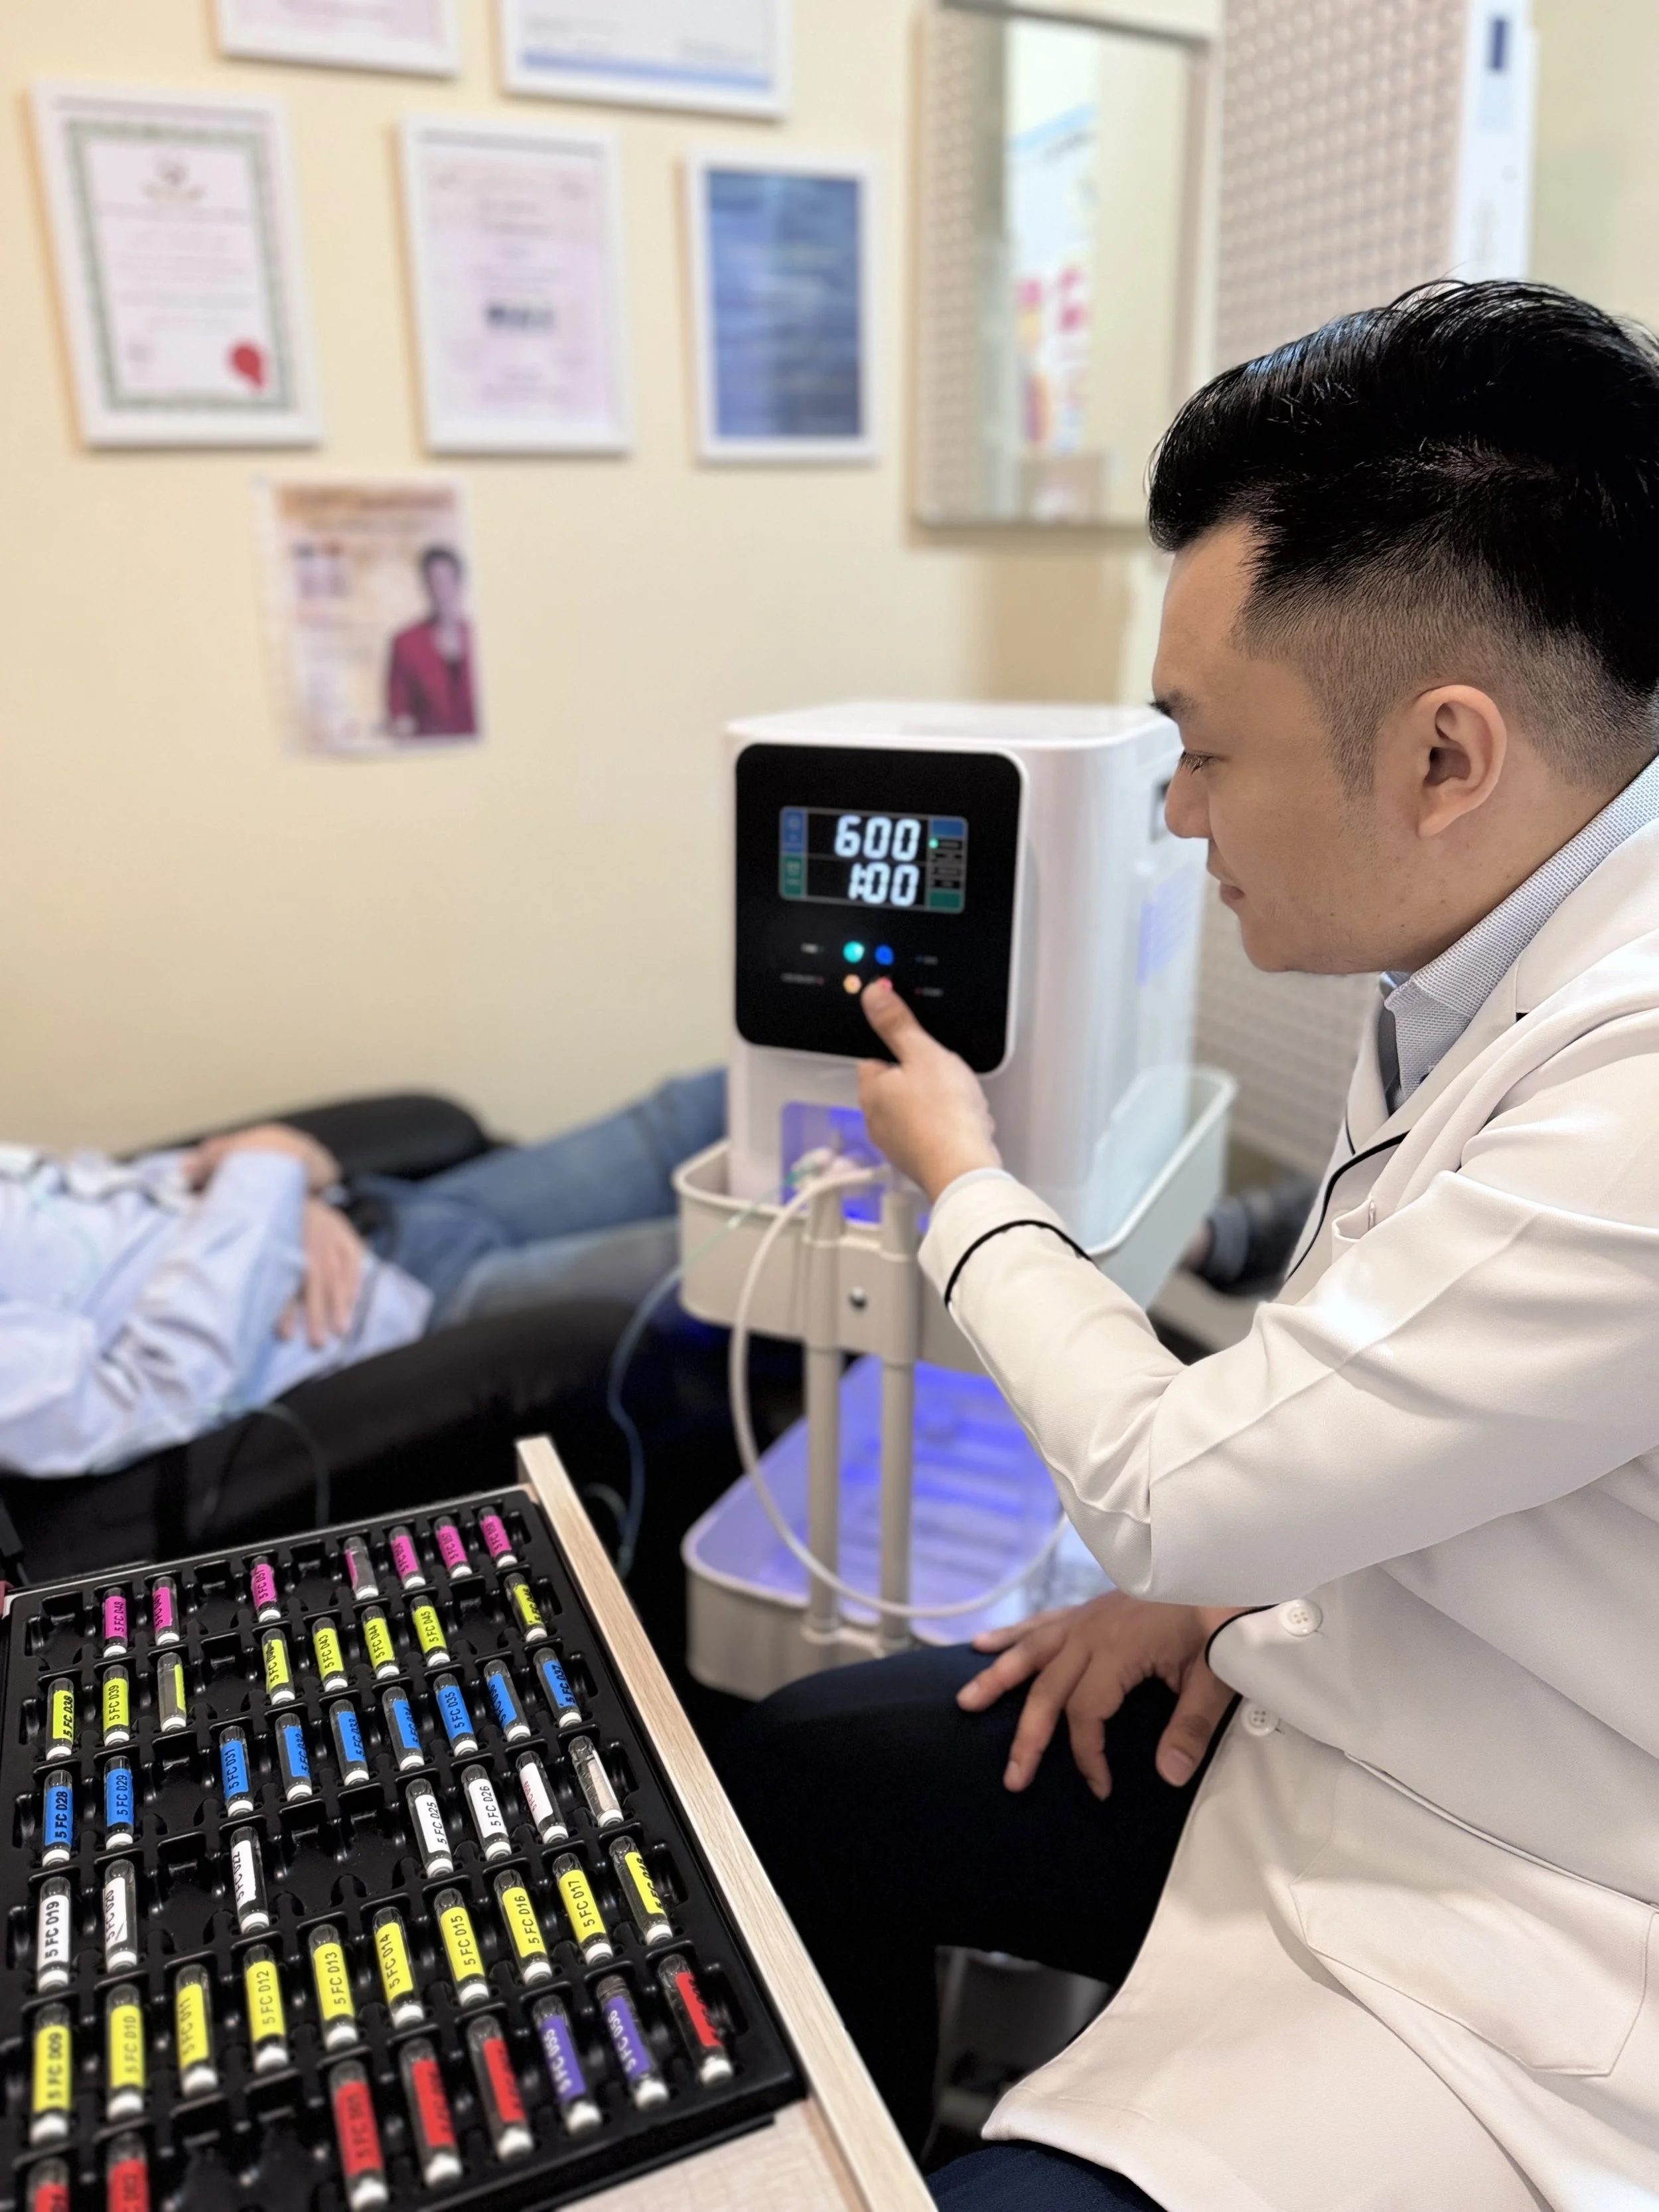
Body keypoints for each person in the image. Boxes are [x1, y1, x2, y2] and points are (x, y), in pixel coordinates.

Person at [724, 281, 1659, 2211]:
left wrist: (964, 1181)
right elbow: (1386, 1393)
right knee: (806, 1759)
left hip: (1538, 1925)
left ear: (1443, 756)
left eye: (1205, 751)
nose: (1172, 815)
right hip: (1337, 1695)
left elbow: (1170, 1488)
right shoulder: (1479, 947)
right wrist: (1234, 1585)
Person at [0, 1070, 723, 1478]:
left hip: (377, 1216)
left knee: (713, 1101)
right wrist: (269, 1164)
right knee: (754, 1261)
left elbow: (122, 1202)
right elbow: (153, 1395)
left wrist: (285, 1192)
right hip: (399, 1318)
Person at [386, 544, 476, 738]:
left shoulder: (478, 637)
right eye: (432, 582)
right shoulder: (406, 643)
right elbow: (398, 711)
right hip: (429, 746)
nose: (439, 591)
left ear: (459, 583)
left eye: (445, 581)